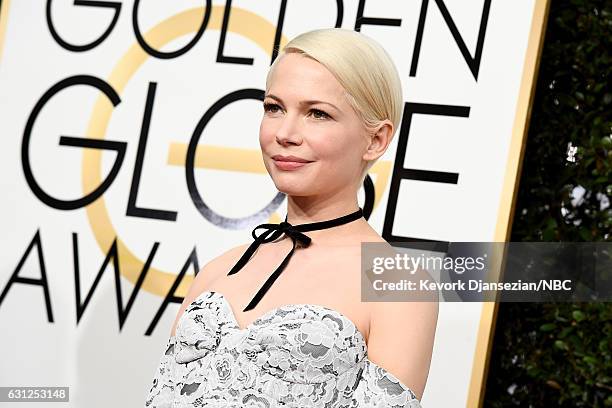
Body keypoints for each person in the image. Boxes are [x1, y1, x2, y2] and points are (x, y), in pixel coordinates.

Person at [145, 27, 438, 408]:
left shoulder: (397, 284)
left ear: (376, 139)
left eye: (317, 114)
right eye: (273, 108)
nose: (285, 132)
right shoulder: (219, 270)